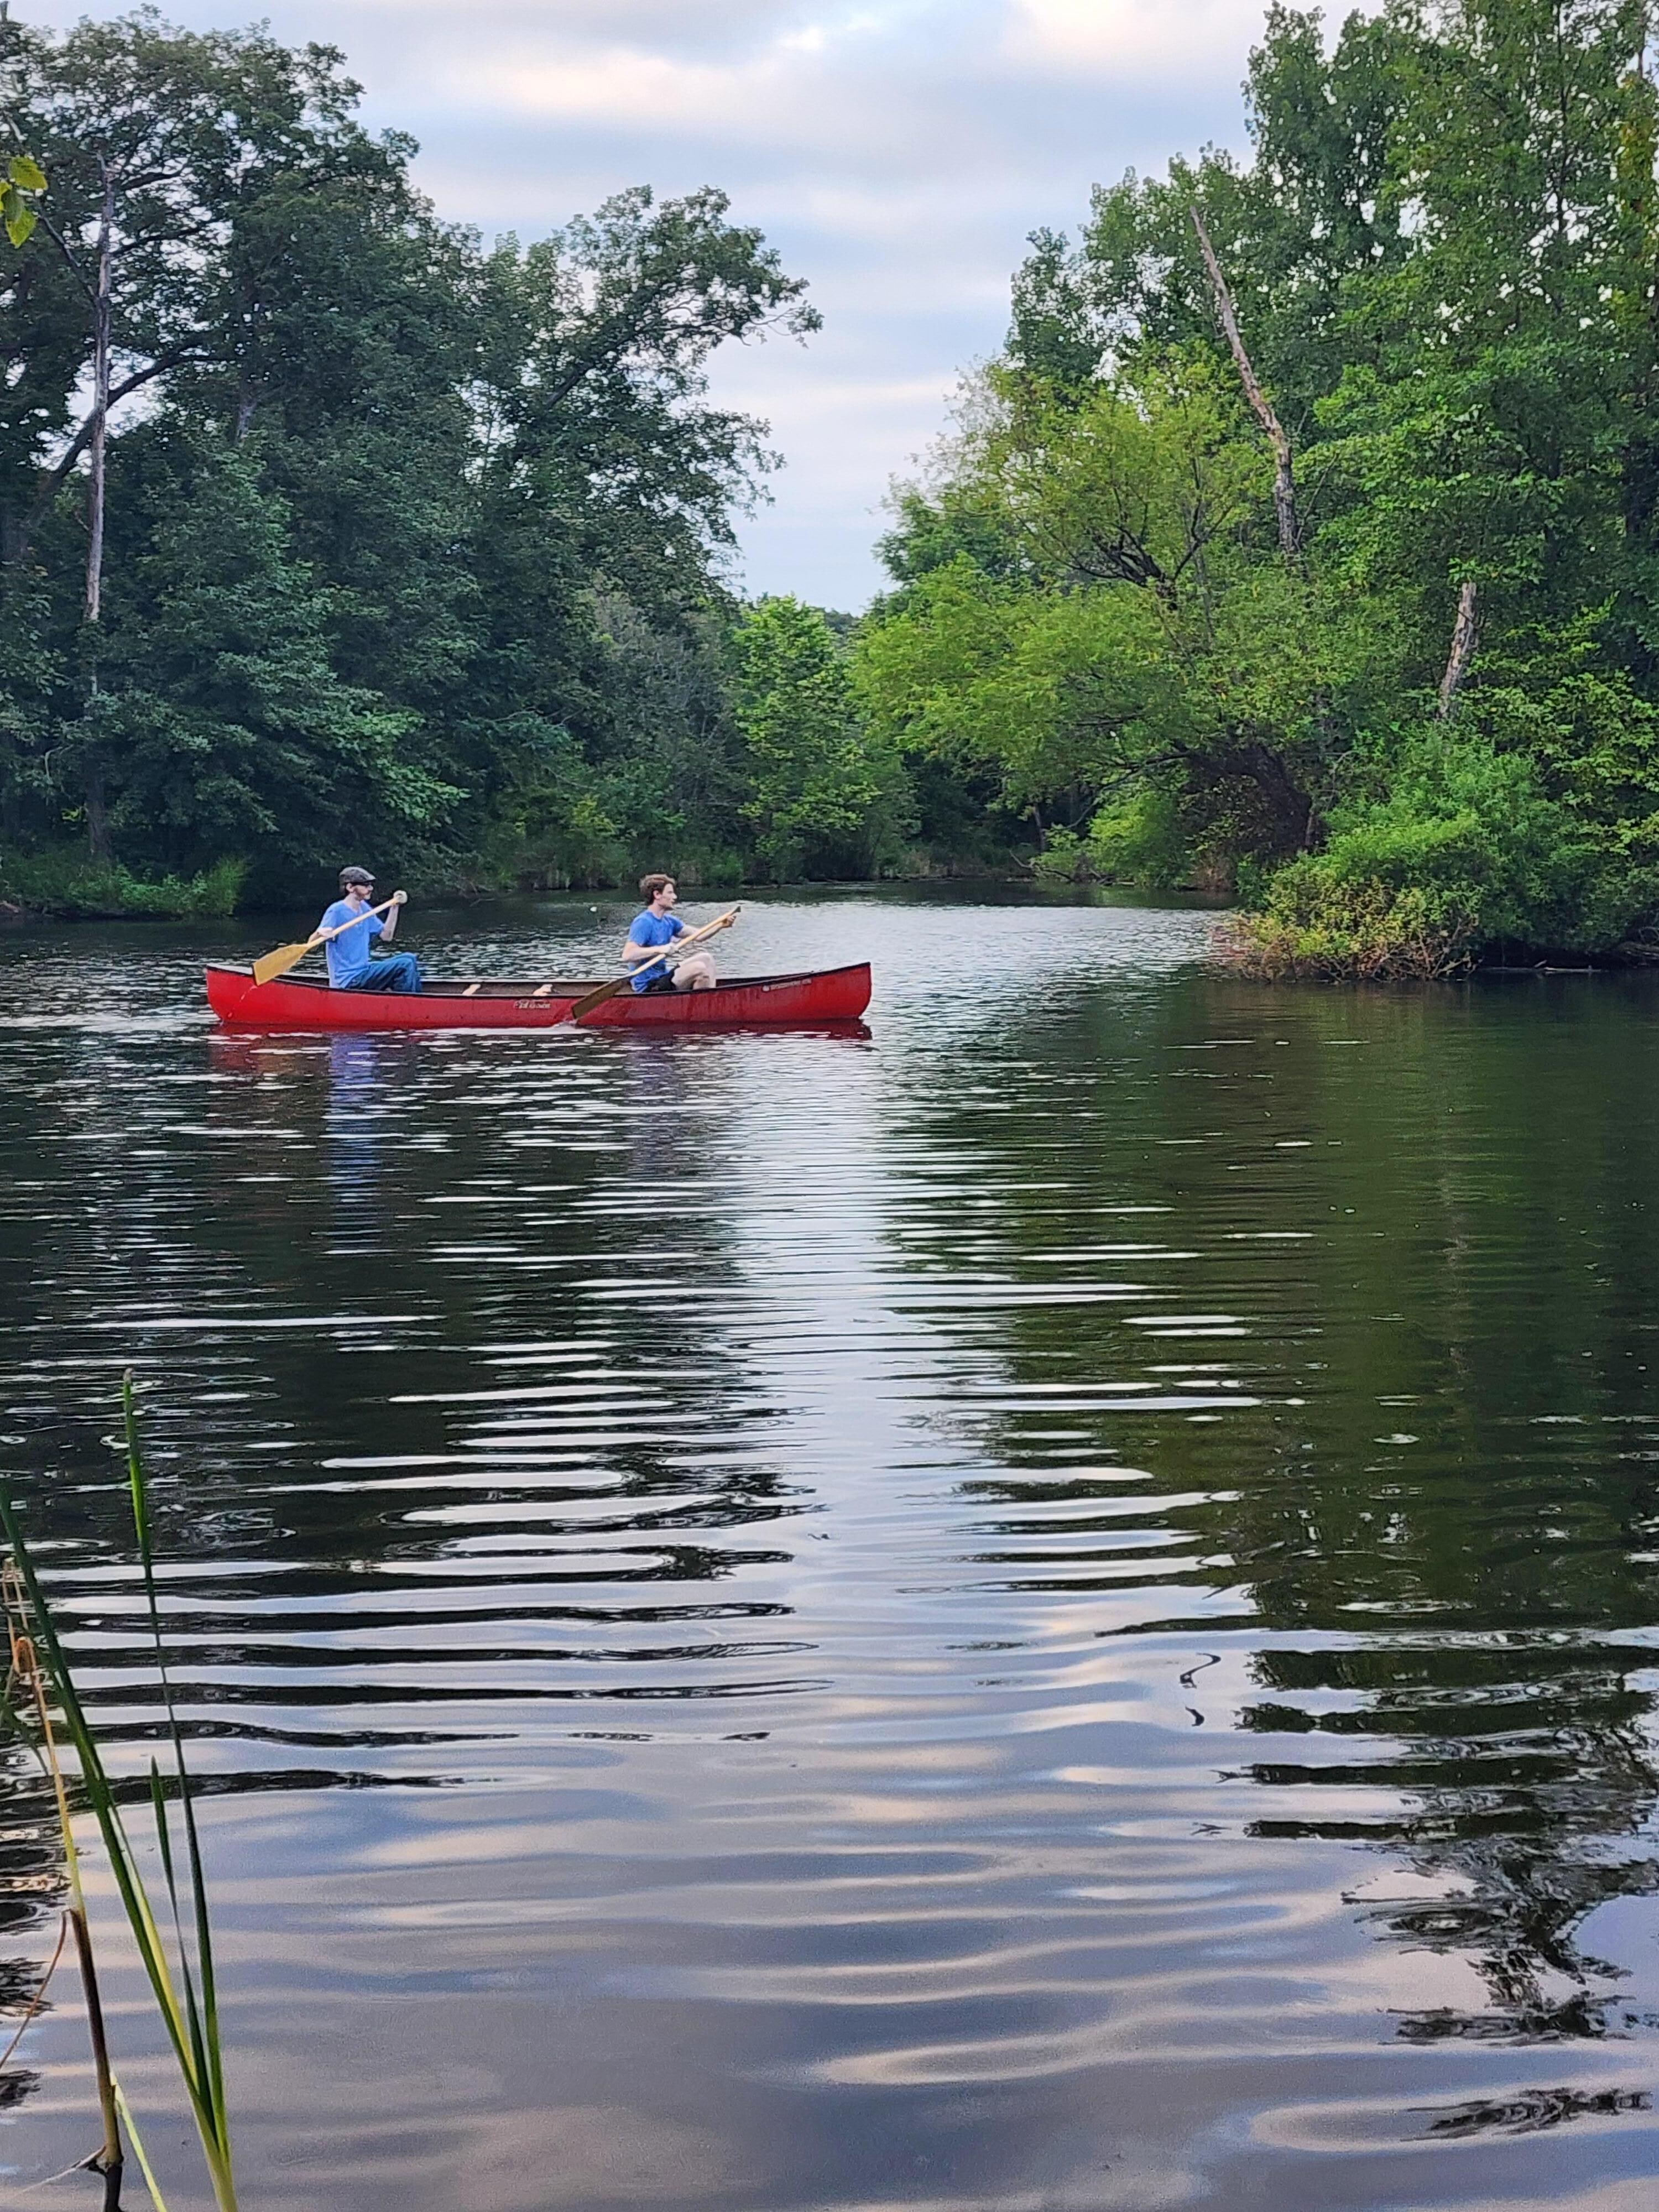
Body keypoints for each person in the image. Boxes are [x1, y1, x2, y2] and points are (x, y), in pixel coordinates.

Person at [316, 866, 421, 993]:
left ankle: (410, 1000)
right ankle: (408, 1005)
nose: (370, 888)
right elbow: (313, 943)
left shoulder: (364, 909)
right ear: (350, 888)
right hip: (348, 980)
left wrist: (395, 907)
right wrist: (320, 934)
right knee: (405, 965)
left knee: (410, 958)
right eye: (365, 885)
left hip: (364, 971)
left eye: (370, 885)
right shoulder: (336, 911)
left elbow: (386, 936)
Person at [622, 873, 722, 993]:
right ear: (657, 895)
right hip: (649, 985)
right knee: (700, 969)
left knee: (706, 958)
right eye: (670, 893)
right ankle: (702, 1006)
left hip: (663, 976)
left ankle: (709, 1001)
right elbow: (628, 955)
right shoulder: (643, 922)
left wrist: (721, 925)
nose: (675, 897)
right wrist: (660, 949)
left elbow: (699, 935)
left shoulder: (670, 921)